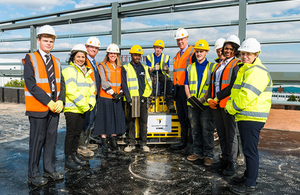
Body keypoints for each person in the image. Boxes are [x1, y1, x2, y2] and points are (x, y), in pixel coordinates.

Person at [225, 38, 272, 195]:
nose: (244, 57)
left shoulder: (257, 72)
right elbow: (236, 91)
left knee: (250, 151)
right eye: (242, 54)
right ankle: (247, 177)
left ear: (256, 54)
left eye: (248, 54)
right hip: (246, 116)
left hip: (252, 117)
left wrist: (230, 108)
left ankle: (250, 184)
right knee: (247, 149)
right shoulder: (247, 69)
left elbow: (246, 96)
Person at [24, 25, 65, 186]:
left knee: (51, 140)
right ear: (39, 40)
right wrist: (49, 102)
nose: (48, 43)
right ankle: (33, 174)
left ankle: (49, 169)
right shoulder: (31, 58)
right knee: (37, 141)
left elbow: (60, 84)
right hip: (38, 107)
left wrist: (61, 100)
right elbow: (31, 84)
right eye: (45, 40)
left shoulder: (56, 60)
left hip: (54, 107)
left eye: (51, 41)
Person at [208, 35, 241, 176]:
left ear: (235, 51)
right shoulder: (219, 65)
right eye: (225, 48)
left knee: (231, 135)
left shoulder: (236, 64)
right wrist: (211, 98)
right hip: (217, 104)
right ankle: (225, 159)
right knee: (221, 134)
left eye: (230, 49)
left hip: (227, 105)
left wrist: (218, 96)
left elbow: (233, 85)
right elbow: (213, 83)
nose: (227, 51)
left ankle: (232, 163)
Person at [62, 44, 96, 171]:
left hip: (83, 108)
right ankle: (68, 159)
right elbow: (71, 90)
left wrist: (91, 103)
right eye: (78, 56)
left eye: (83, 57)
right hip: (73, 109)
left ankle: (74, 154)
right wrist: (85, 105)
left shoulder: (86, 71)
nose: (81, 59)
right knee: (71, 134)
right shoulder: (69, 70)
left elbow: (92, 89)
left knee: (77, 134)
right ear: (73, 57)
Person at [184, 39, 215, 166]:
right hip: (192, 104)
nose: (199, 54)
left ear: (206, 52)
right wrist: (190, 99)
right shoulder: (190, 67)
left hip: (205, 104)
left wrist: (202, 99)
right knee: (195, 129)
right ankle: (197, 153)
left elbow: (211, 86)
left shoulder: (211, 67)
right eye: (197, 51)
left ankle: (208, 155)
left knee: (207, 130)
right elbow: (186, 85)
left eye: (201, 51)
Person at [94, 43, 126, 152]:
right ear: (107, 54)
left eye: (115, 53)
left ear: (117, 55)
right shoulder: (102, 65)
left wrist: (121, 93)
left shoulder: (120, 67)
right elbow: (103, 81)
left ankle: (113, 139)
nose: (113, 55)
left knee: (115, 118)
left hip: (117, 97)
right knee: (105, 119)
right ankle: (104, 140)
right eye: (111, 53)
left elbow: (122, 82)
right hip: (106, 96)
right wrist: (113, 93)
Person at [122, 45, 152, 152]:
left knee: (143, 121)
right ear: (131, 55)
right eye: (135, 55)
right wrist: (129, 99)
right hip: (132, 99)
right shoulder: (125, 68)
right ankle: (131, 143)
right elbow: (124, 85)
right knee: (131, 122)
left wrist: (144, 97)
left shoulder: (144, 68)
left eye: (139, 55)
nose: (137, 57)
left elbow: (149, 83)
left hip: (142, 99)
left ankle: (143, 143)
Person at [171, 28, 195, 154]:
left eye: (182, 39)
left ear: (187, 39)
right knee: (182, 118)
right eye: (178, 40)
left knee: (189, 117)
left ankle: (191, 144)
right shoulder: (177, 55)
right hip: (178, 89)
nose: (180, 41)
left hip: (187, 89)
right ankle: (183, 141)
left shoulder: (192, 52)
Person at [77, 37, 101, 157]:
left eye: (96, 48)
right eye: (92, 47)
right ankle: (81, 146)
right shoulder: (84, 61)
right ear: (86, 47)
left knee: (91, 120)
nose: (94, 49)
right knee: (86, 120)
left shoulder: (93, 61)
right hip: (86, 96)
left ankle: (86, 143)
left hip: (93, 95)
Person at [146, 39, 175, 111]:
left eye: (160, 48)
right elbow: (148, 69)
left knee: (168, 82)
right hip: (153, 74)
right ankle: (147, 105)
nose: (158, 49)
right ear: (154, 48)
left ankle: (170, 105)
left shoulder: (166, 57)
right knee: (150, 84)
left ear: (162, 49)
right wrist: (153, 68)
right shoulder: (149, 57)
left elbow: (168, 72)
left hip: (162, 74)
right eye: (156, 47)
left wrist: (167, 69)